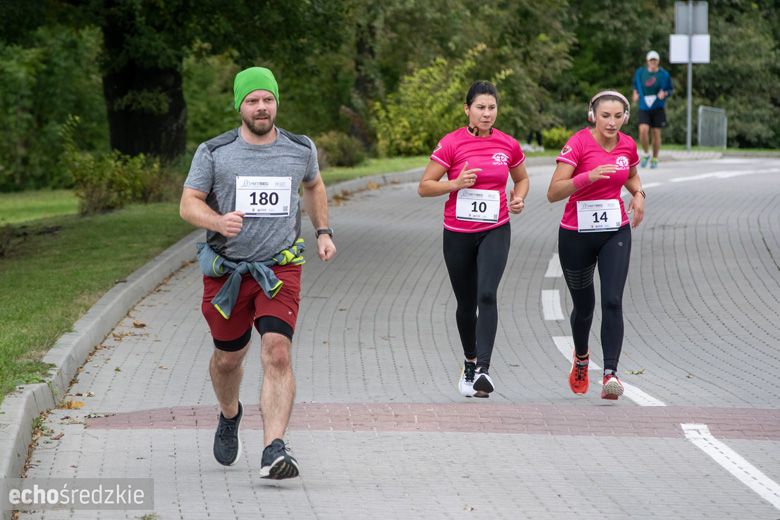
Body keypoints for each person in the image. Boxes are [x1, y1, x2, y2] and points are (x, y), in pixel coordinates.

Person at [180, 66, 336, 479]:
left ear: (276, 102)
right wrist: (217, 221)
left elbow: (314, 185)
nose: (261, 107)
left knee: (277, 351)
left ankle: (274, 448)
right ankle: (230, 413)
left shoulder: (300, 148)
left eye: (268, 99)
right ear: (239, 105)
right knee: (228, 360)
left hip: (279, 268)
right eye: (252, 100)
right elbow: (188, 203)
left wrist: (323, 231)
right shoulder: (215, 152)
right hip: (228, 273)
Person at [418, 80, 529, 398]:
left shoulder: (508, 144)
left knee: (487, 295)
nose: (487, 113)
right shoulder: (451, 143)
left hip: (495, 228)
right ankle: (469, 361)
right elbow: (425, 186)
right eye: (480, 107)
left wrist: (518, 198)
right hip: (458, 233)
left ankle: (483, 369)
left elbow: (521, 178)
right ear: (467, 109)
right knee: (466, 304)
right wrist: (454, 184)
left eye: (492, 107)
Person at [546, 90, 645, 400]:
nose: (611, 122)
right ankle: (581, 357)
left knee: (612, 300)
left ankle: (610, 374)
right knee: (584, 306)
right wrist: (587, 177)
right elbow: (553, 192)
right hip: (576, 233)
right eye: (605, 116)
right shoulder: (578, 144)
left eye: (618, 116)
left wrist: (639, 194)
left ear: (625, 117)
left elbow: (631, 176)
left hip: (615, 231)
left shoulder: (627, 145)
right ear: (593, 116)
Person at [632, 50, 673, 169]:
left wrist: (664, 93)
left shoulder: (664, 75)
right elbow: (635, 86)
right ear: (647, 61)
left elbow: (670, 90)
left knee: (656, 133)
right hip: (644, 106)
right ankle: (646, 153)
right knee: (643, 130)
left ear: (658, 61)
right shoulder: (640, 73)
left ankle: (655, 158)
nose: (653, 62)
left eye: (655, 60)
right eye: (651, 60)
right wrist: (635, 93)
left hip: (657, 106)